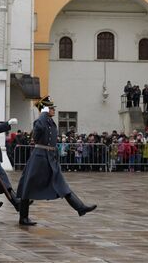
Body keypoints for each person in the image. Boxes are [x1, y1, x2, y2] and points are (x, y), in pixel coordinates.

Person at [16, 95, 96, 225]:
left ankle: (80, 207)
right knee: (28, 187)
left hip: (50, 157)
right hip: (39, 157)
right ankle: (23, 217)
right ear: (45, 110)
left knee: (61, 184)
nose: (54, 110)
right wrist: (42, 113)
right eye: (51, 108)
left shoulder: (50, 122)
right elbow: (36, 136)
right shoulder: (40, 121)